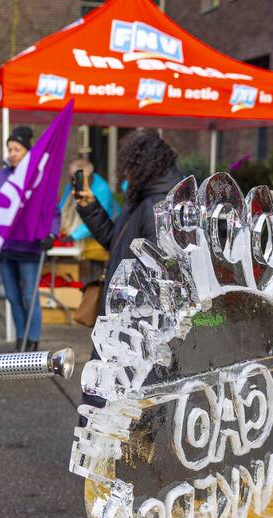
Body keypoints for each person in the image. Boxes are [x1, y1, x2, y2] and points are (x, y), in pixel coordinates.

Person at [74, 129, 183, 412]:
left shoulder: (158, 207)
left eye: (127, 167)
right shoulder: (141, 201)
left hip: (130, 325)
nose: (124, 175)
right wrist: (90, 209)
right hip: (120, 321)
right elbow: (117, 243)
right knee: (102, 396)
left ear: (140, 166)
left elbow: (163, 277)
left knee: (102, 399)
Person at [0, 125, 57, 351]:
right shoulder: (1, 176)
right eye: (10, 149)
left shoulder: (38, 177)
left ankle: (33, 340)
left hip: (30, 247)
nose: (12, 153)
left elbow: (52, 209)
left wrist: (52, 232)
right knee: (12, 297)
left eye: (16, 149)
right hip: (6, 248)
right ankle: (21, 340)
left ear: (28, 151)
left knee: (29, 296)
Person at [59, 156, 117, 282]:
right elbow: (62, 208)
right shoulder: (72, 185)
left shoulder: (102, 189)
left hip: (98, 240)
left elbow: (97, 219)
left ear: (88, 176)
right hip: (82, 237)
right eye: (72, 177)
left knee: (95, 278)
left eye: (78, 178)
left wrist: (74, 236)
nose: (74, 181)